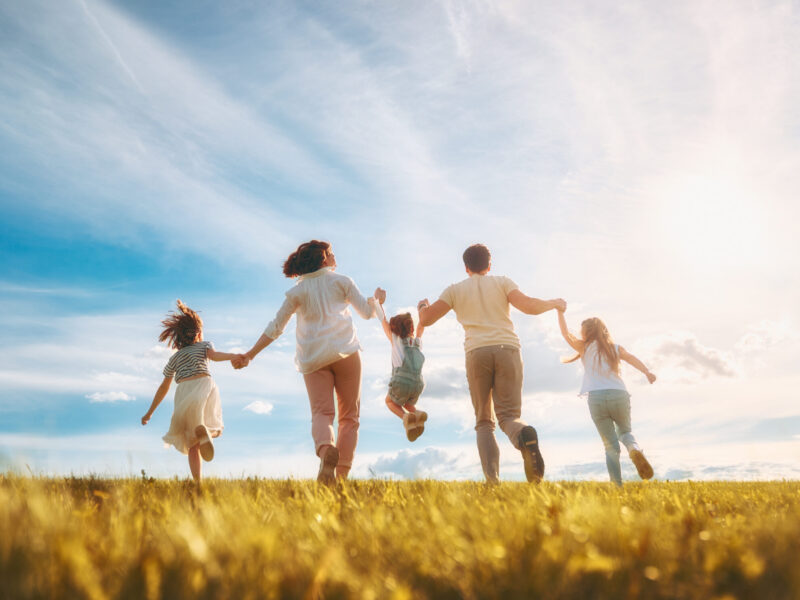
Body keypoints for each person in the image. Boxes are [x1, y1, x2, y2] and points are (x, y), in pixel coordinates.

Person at [233, 240, 384, 484]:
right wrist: (377, 300)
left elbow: (275, 328)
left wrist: (250, 354)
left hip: (313, 358)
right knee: (349, 418)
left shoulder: (297, 292)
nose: (335, 257)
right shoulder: (342, 281)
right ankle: (341, 478)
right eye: (332, 253)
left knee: (321, 413)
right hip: (346, 353)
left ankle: (326, 452)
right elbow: (367, 314)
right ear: (324, 259)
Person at [418, 244, 565, 483]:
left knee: (484, 421)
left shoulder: (455, 290)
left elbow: (426, 319)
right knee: (509, 416)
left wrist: (422, 306)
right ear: (489, 265)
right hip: (508, 349)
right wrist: (554, 303)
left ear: (466, 267)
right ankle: (522, 434)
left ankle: (492, 480)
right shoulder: (502, 282)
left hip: (476, 353)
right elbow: (528, 306)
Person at [141, 300, 240, 481]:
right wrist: (234, 356)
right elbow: (215, 356)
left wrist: (149, 413)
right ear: (199, 333)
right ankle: (208, 434)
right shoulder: (204, 345)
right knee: (216, 426)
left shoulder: (175, 358)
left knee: (191, 443)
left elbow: (164, 387)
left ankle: (197, 483)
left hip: (184, 394)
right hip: (204, 386)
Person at [556, 309, 656, 486]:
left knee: (610, 446)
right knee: (625, 432)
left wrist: (560, 312)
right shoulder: (615, 348)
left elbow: (565, 333)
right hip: (619, 394)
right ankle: (634, 449)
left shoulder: (584, 347)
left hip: (596, 399)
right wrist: (646, 372)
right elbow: (631, 358)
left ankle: (617, 486)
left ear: (585, 333)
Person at [376, 300, 427, 441]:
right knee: (407, 403)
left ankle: (406, 417)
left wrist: (377, 302)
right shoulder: (417, 343)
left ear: (395, 329)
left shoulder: (396, 340)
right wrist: (423, 308)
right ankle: (417, 413)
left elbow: (382, 319)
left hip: (401, 382)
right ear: (412, 329)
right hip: (418, 384)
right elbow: (422, 327)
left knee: (389, 402)